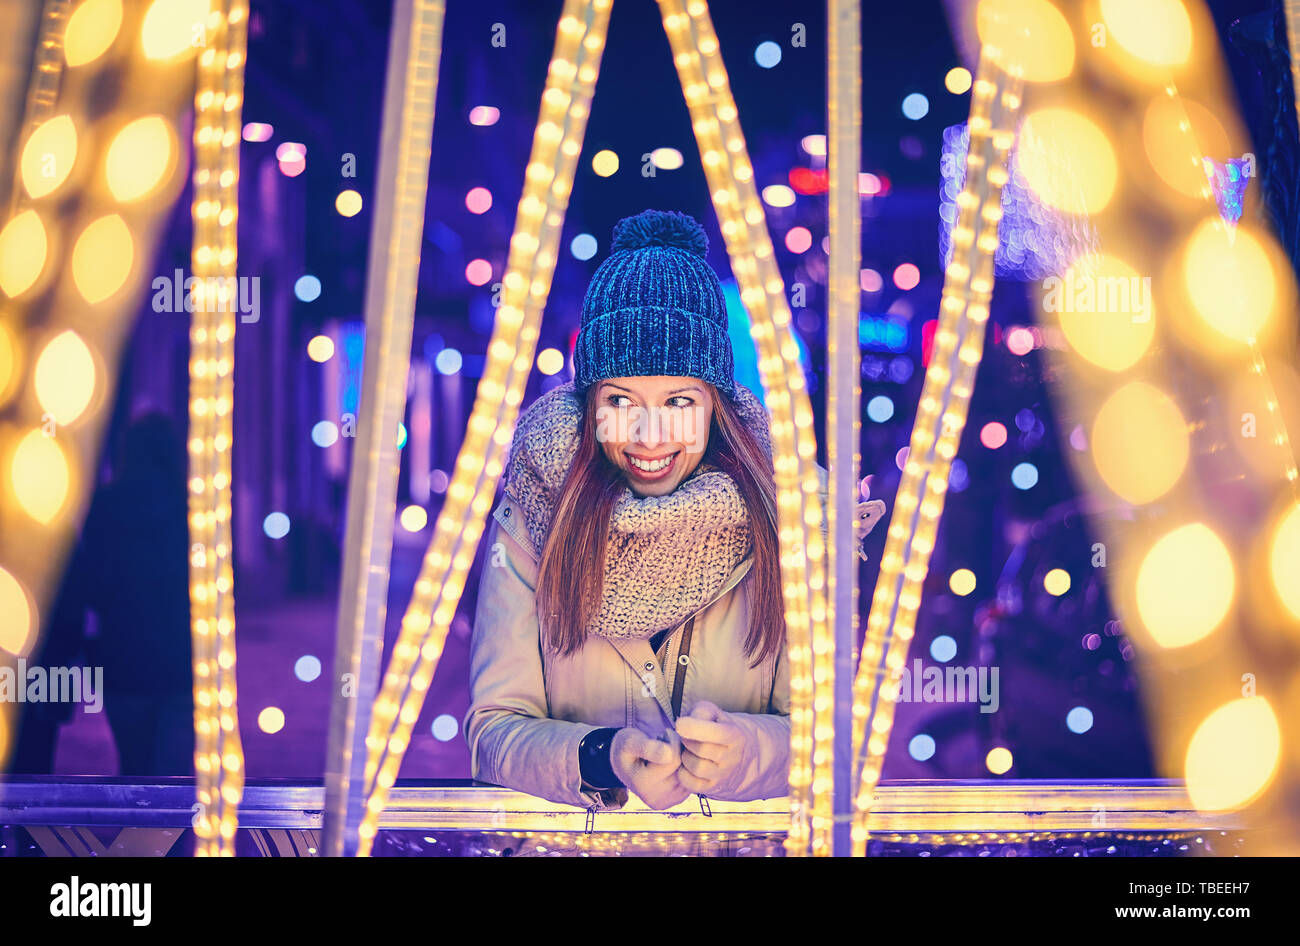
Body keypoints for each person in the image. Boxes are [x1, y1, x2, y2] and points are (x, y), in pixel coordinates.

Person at [464, 208, 885, 812]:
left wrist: (747, 752)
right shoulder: (532, 517)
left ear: (716, 405)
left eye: (679, 400)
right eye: (620, 400)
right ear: (590, 407)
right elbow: (493, 733)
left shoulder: (799, 521)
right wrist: (598, 756)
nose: (649, 434)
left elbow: (835, 741)